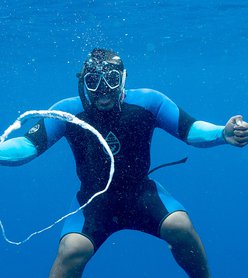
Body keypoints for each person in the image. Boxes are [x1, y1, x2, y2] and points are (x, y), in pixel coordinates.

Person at [0, 48, 247, 278]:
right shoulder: (66, 112)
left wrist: (221, 133)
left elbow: (190, 129)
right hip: (94, 201)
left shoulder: (149, 102)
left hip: (140, 193)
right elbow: (28, 146)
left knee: (180, 226)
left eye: (111, 79)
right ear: (83, 83)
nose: (103, 89)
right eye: (93, 82)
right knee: (71, 250)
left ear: (123, 79)